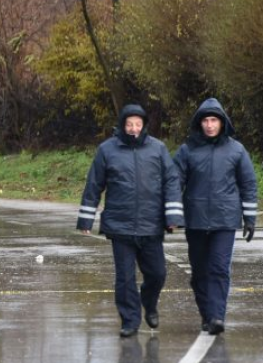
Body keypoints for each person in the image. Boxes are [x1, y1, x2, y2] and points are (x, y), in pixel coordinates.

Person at [77, 104, 183, 338]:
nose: (134, 128)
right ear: (122, 125)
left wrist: (173, 217)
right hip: (120, 225)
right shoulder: (107, 150)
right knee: (124, 278)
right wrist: (86, 219)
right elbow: (94, 184)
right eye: (129, 124)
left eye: (138, 124)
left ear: (144, 125)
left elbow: (171, 182)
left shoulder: (158, 149)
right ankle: (130, 321)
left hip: (151, 225)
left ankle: (149, 301)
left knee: (157, 274)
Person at [173, 98, 257, 335]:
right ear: (200, 124)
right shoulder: (187, 150)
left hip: (225, 220)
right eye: (206, 121)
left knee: (219, 268)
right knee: (199, 271)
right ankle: (206, 314)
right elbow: (174, 182)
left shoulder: (237, 150)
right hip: (196, 220)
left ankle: (217, 316)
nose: (210, 125)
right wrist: (171, 214)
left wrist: (250, 218)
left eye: (214, 120)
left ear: (222, 123)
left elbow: (248, 184)